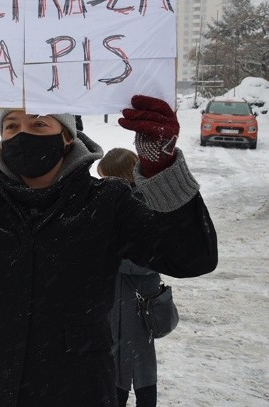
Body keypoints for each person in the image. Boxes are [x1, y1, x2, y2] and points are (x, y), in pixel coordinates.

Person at [0, 90, 218, 406]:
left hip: (75, 386)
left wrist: (162, 167)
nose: (23, 133)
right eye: (11, 126)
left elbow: (190, 256)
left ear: (67, 137)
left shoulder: (108, 201)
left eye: (39, 123)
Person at [99, 147, 162, 407]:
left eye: (107, 179)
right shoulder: (116, 201)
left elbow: (154, 258)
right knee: (116, 361)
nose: (104, 185)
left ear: (121, 176)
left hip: (139, 300)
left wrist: (113, 259)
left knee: (140, 365)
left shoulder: (148, 203)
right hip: (116, 297)